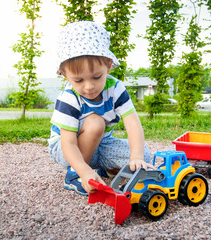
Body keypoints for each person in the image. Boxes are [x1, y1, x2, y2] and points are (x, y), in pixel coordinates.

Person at [48, 21, 154, 196]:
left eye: (97, 77)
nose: (89, 86)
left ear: (108, 66)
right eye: (79, 80)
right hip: (66, 149)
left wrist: (136, 156)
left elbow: (133, 124)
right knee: (96, 123)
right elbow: (68, 143)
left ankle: (104, 168)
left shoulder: (116, 88)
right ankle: (74, 175)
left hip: (100, 144)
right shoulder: (69, 98)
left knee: (144, 156)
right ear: (65, 75)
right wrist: (83, 171)